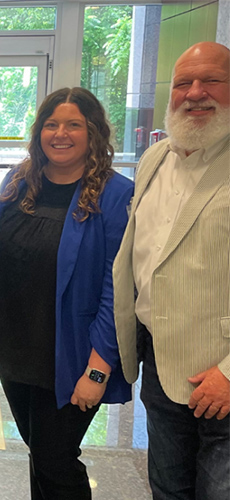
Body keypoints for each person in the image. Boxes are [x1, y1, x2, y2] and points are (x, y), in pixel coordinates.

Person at [0, 87, 133, 499]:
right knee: (40, 454)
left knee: (55, 458)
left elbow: (117, 290)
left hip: (72, 354)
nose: (60, 133)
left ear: (94, 133)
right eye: (51, 124)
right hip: (16, 348)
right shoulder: (17, 182)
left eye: (74, 125)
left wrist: (98, 370)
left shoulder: (115, 194)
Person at [113, 41, 230, 500]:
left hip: (220, 374)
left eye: (211, 81)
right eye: (183, 83)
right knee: (168, 488)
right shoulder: (154, 160)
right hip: (162, 365)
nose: (195, 93)